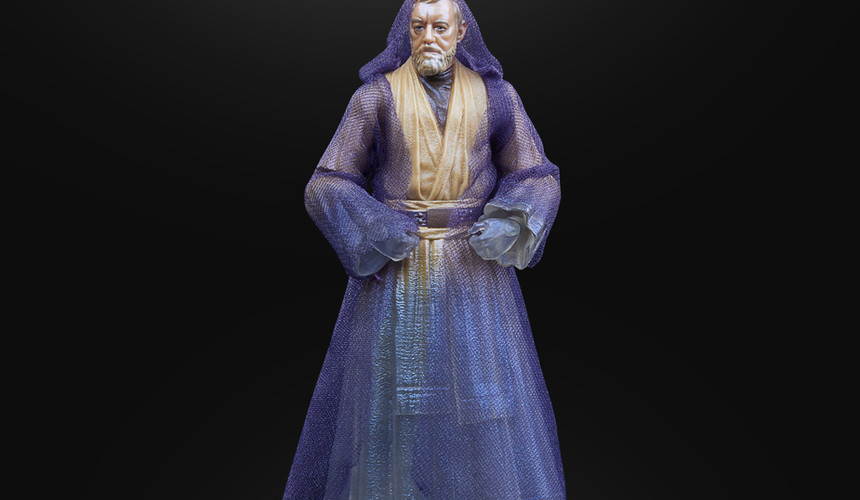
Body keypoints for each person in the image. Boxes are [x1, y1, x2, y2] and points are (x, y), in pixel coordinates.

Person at [284, 0, 565, 498]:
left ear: (461, 31)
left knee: (485, 402)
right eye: (418, 27)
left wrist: (510, 220)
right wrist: (377, 227)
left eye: (439, 26)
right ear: (407, 31)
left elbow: (535, 173)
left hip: (473, 269)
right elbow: (326, 182)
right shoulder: (376, 97)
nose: (428, 37)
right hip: (401, 270)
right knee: (392, 402)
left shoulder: (498, 97)